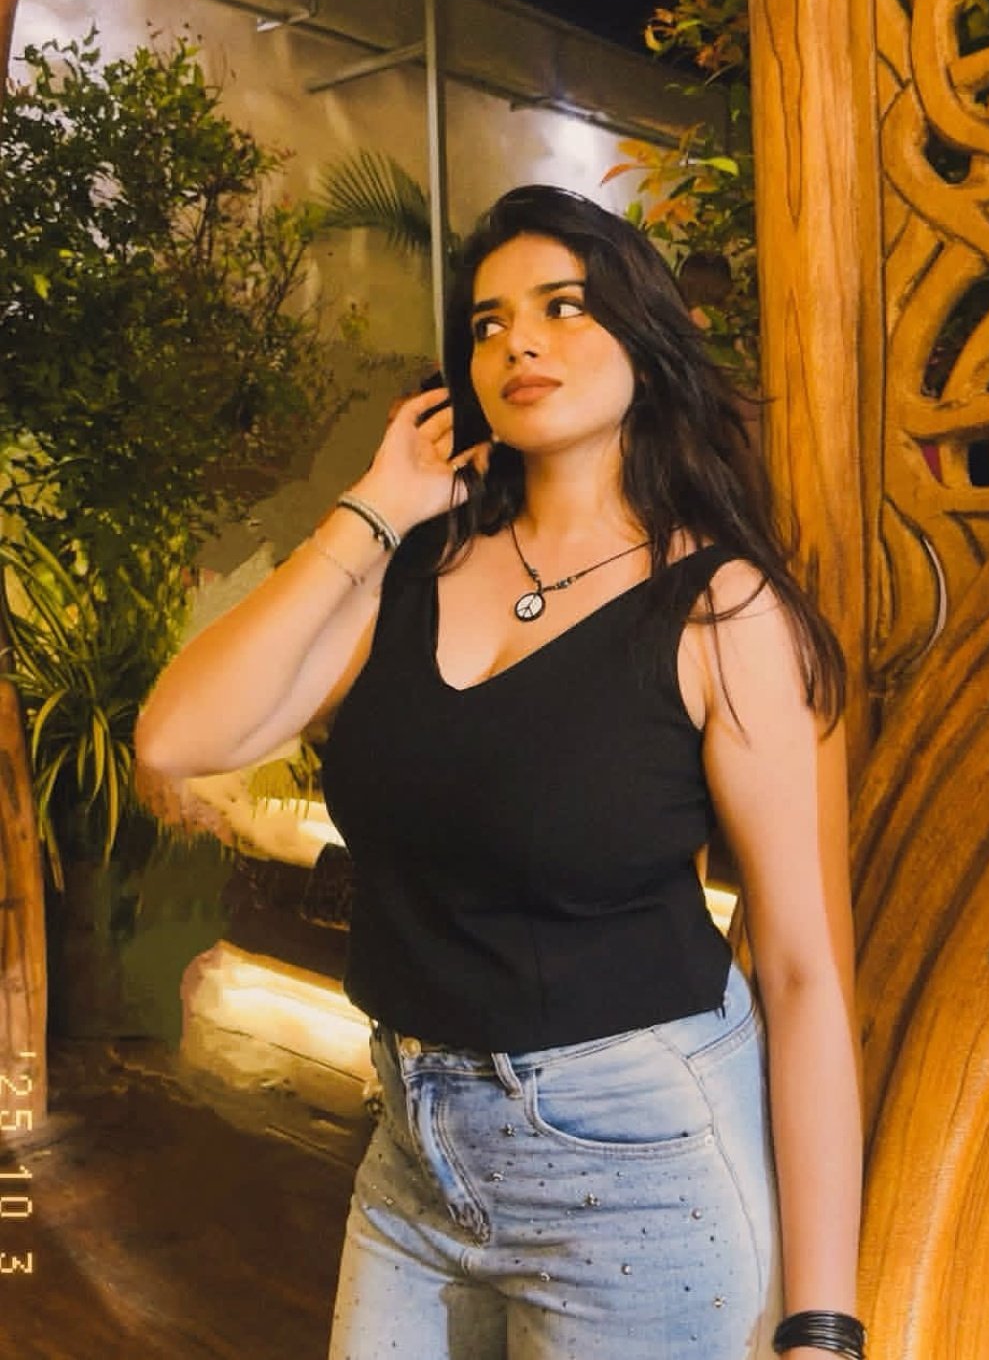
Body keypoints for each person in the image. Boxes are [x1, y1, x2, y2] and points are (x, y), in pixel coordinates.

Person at [136, 185, 864, 1360]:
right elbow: (179, 736)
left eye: (563, 307)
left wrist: (823, 1325)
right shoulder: (415, 562)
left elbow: (802, 971)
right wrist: (375, 508)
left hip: (641, 1162)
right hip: (416, 1154)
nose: (520, 340)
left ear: (644, 337)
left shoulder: (722, 611)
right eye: (489, 322)